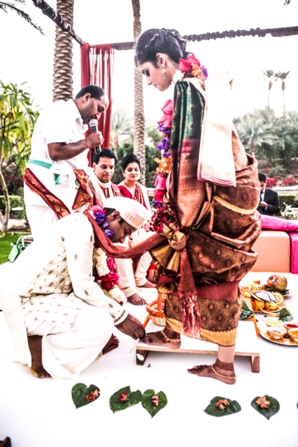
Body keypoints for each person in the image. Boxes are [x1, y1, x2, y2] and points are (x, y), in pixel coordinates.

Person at [134, 28, 262, 384]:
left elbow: (187, 161)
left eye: (146, 72)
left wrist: (182, 220)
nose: (148, 81)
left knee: (196, 265)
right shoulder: (199, 82)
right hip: (225, 193)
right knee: (205, 274)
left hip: (208, 202)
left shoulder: (187, 89)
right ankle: (180, 337)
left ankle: (219, 364)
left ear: (161, 61)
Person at [0, 197, 148, 381]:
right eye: (125, 232)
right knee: (101, 325)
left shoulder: (88, 226)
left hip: (50, 294)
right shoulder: (81, 228)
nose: (122, 239)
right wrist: (122, 317)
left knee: (100, 317)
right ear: (114, 216)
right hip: (25, 300)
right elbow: (83, 286)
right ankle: (38, 350)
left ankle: (42, 344)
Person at [24, 85, 109, 241]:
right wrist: (87, 143)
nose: (98, 116)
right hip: (46, 182)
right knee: (50, 242)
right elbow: (55, 152)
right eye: (99, 108)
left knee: (67, 242)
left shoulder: (78, 124)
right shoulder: (61, 111)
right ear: (86, 97)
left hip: (62, 187)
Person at [116, 153, 156, 305]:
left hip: (142, 231)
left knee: (158, 238)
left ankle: (140, 277)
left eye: (136, 169)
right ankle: (135, 282)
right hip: (126, 234)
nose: (133, 172)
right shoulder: (118, 189)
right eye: (129, 169)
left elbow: (147, 214)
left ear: (140, 172)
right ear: (124, 172)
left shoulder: (143, 189)